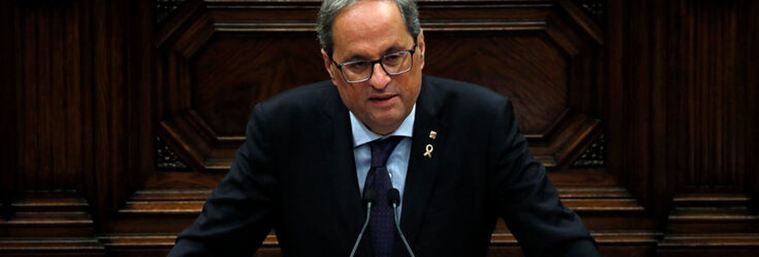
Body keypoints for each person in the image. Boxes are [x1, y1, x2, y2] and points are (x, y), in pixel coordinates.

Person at [168, 0, 601, 256]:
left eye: (394, 57)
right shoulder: (284, 128)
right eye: (358, 63)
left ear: (422, 48)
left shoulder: (481, 122)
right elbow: (210, 246)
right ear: (329, 66)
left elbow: (560, 243)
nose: (379, 80)